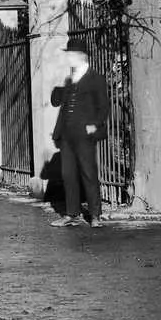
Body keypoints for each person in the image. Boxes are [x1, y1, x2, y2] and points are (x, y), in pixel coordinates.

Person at [49, 37, 109, 228]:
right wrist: (60, 84)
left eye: (71, 55)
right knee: (68, 174)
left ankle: (95, 215)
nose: (68, 59)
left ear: (81, 56)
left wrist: (95, 124)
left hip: (84, 134)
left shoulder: (96, 78)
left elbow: (104, 106)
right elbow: (56, 102)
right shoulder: (69, 78)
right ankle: (71, 213)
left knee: (88, 173)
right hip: (67, 135)